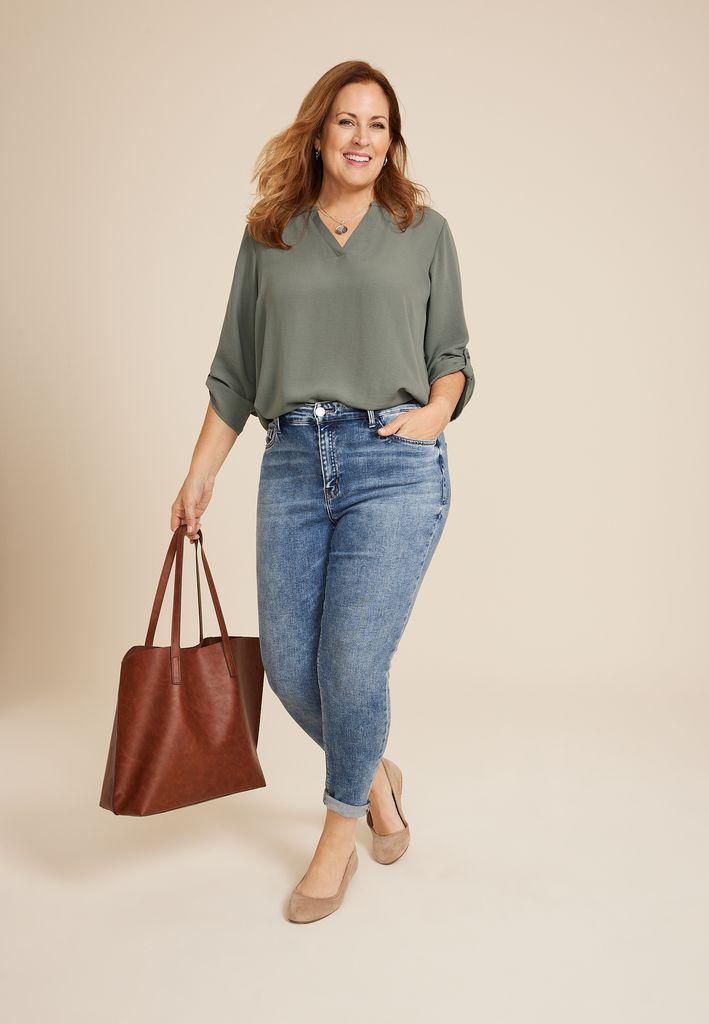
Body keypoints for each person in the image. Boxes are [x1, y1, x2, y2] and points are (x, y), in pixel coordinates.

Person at [171, 60, 475, 924]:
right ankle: (375, 776)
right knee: (289, 668)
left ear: (393, 140)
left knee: (350, 664)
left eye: (378, 124)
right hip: (293, 462)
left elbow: (450, 352)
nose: (362, 138)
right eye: (347, 121)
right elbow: (236, 370)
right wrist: (198, 474)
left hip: (392, 464)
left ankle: (339, 836)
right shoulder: (270, 233)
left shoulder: (423, 231)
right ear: (318, 133)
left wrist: (436, 413)